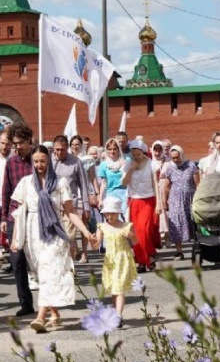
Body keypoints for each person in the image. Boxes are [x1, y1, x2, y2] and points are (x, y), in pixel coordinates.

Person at [10, 146, 94, 333]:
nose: (39, 165)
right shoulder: (26, 183)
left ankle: (40, 318)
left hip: (54, 232)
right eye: (36, 161)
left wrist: (86, 233)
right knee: (43, 275)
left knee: (49, 273)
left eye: (43, 161)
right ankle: (55, 313)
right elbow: (19, 213)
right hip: (33, 233)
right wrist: (16, 238)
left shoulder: (60, 183)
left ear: (49, 161)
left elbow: (70, 211)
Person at [0, 124, 37, 318]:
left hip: (36, 216)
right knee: (17, 261)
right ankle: (26, 303)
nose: (17, 147)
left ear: (30, 141)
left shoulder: (39, 161)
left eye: (21, 143)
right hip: (15, 217)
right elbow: (6, 190)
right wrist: (4, 217)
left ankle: (48, 302)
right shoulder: (11, 163)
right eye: (15, 144)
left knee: (39, 260)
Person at [95, 195, 137, 325]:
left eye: (112, 213)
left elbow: (136, 242)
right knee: (114, 289)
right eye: (107, 214)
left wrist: (131, 236)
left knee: (119, 288)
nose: (109, 216)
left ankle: (118, 315)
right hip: (110, 261)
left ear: (118, 212)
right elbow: (96, 245)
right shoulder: (102, 227)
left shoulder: (126, 226)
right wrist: (93, 241)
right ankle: (116, 313)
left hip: (123, 260)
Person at [51, 134, 92, 262]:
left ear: (67, 148)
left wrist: (86, 206)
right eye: (56, 149)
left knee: (68, 237)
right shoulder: (48, 161)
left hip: (70, 206)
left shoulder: (75, 162)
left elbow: (83, 185)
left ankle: (69, 267)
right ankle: (61, 266)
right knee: (55, 241)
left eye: (62, 150)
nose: (59, 152)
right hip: (53, 206)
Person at [123, 138, 160, 269]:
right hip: (134, 201)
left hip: (148, 200)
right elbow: (123, 183)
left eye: (138, 154)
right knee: (135, 233)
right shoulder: (128, 164)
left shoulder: (151, 164)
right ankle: (143, 260)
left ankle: (146, 257)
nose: (136, 157)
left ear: (143, 152)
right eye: (133, 155)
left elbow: (156, 184)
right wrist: (131, 169)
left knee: (144, 231)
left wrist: (159, 203)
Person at [158, 145, 198, 265]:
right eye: (173, 158)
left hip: (189, 199)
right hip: (175, 199)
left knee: (192, 222)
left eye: (177, 157)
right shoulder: (170, 168)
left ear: (181, 154)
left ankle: (196, 249)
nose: (176, 160)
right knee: (175, 222)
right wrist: (164, 202)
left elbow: (197, 183)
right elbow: (166, 186)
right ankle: (179, 251)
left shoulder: (191, 166)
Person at [96, 138, 129, 209]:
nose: (112, 151)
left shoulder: (125, 162)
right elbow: (104, 183)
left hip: (125, 193)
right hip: (111, 193)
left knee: (125, 218)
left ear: (118, 149)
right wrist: (100, 199)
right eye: (110, 149)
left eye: (114, 149)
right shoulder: (104, 164)